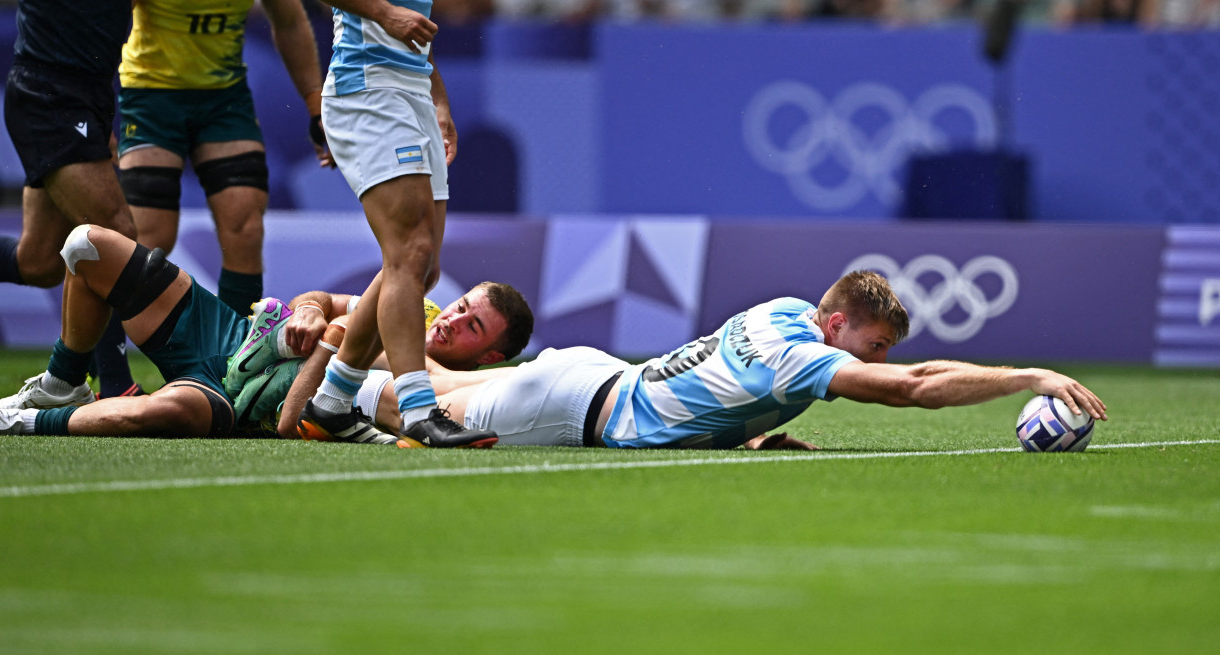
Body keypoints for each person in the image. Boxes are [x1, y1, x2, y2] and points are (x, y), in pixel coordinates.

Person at [0, 0, 265, 399]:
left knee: (40, 261)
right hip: (47, 93)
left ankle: (79, 378)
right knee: (114, 233)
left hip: (91, 95)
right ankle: (103, 382)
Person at [336, 270, 1107, 450]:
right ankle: (281, 368)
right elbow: (911, 389)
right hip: (574, 406)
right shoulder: (803, 360)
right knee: (396, 401)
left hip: (593, 373)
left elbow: (712, 385)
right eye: (872, 344)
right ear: (835, 324)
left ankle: (318, 332)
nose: (878, 361)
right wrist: (1029, 376)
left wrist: (750, 432)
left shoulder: (781, 309)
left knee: (428, 379)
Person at [0, 224, 534, 443]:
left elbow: (296, 418)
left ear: (489, 356)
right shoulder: (415, 309)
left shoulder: (436, 386)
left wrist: (328, 344)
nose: (450, 319)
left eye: (470, 325)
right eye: (459, 306)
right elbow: (322, 299)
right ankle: (63, 381)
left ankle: (18, 422)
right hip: (231, 334)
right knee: (85, 246)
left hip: (244, 401)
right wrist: (307, 312)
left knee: (159, 413)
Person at [279, 0, 493, 449]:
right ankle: (419, 409)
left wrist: (439, 98)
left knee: (421, 267)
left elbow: (411, 21)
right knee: (410, 250)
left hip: (411, 93)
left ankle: (331, 401)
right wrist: (381, 13)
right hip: (366, 90)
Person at [116, 0, 325, 317]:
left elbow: (289, 21)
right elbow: (113, 22)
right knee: (147, 244)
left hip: (223, 99)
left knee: (246, 228)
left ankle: (235, 369)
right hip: (151, 97)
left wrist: (315, 105)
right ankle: (112, 371)